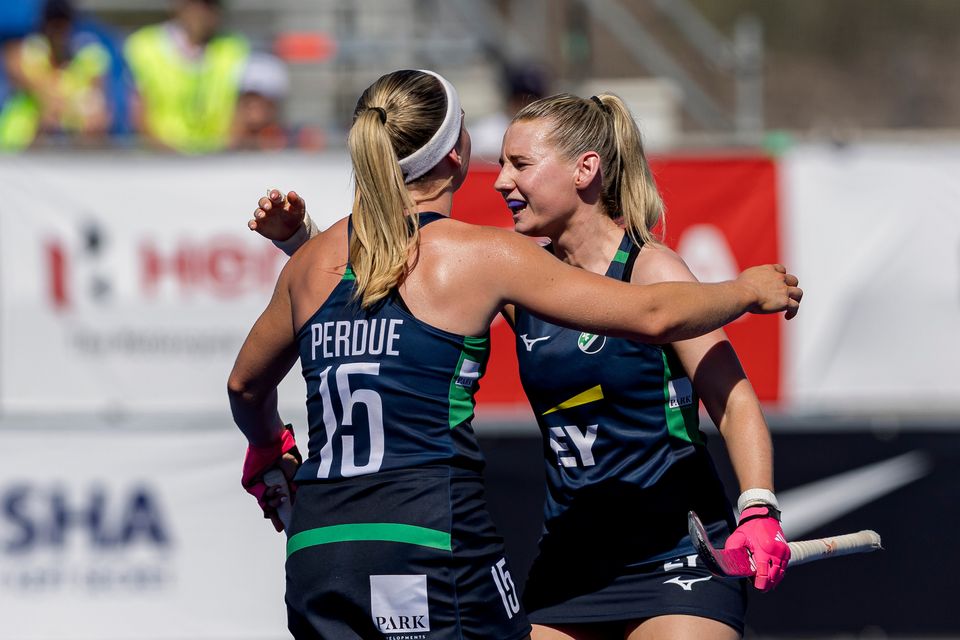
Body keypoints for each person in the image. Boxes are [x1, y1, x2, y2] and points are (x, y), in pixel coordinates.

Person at [230, 69, 801, 638]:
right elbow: (407, 299)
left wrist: (757, 505)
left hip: (672, 553)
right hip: (561, 561)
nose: (501, 182)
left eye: (520, 166)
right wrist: (747, 290)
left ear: (585, 169)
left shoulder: (647, 266)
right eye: (499, 161)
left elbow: (731, 398)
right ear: (456, 151)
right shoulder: (507, 268)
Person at [124, 0, 249, 153]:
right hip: (158, 163)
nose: (204, 13)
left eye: (211, 5)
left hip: (217, 164)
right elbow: (138, 116)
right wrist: (174, 159)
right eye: (197, 5)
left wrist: (216, 159)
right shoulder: (143, 46)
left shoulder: (234, 48)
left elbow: (242, 113)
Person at [0, 0, 111, 150]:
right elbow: (18, 69)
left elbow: (100, 115)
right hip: (18, 147)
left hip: (70, 153)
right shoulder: (28, 52)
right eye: (53, 26)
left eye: (63, 26)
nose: (58, 33)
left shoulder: (88, 55)